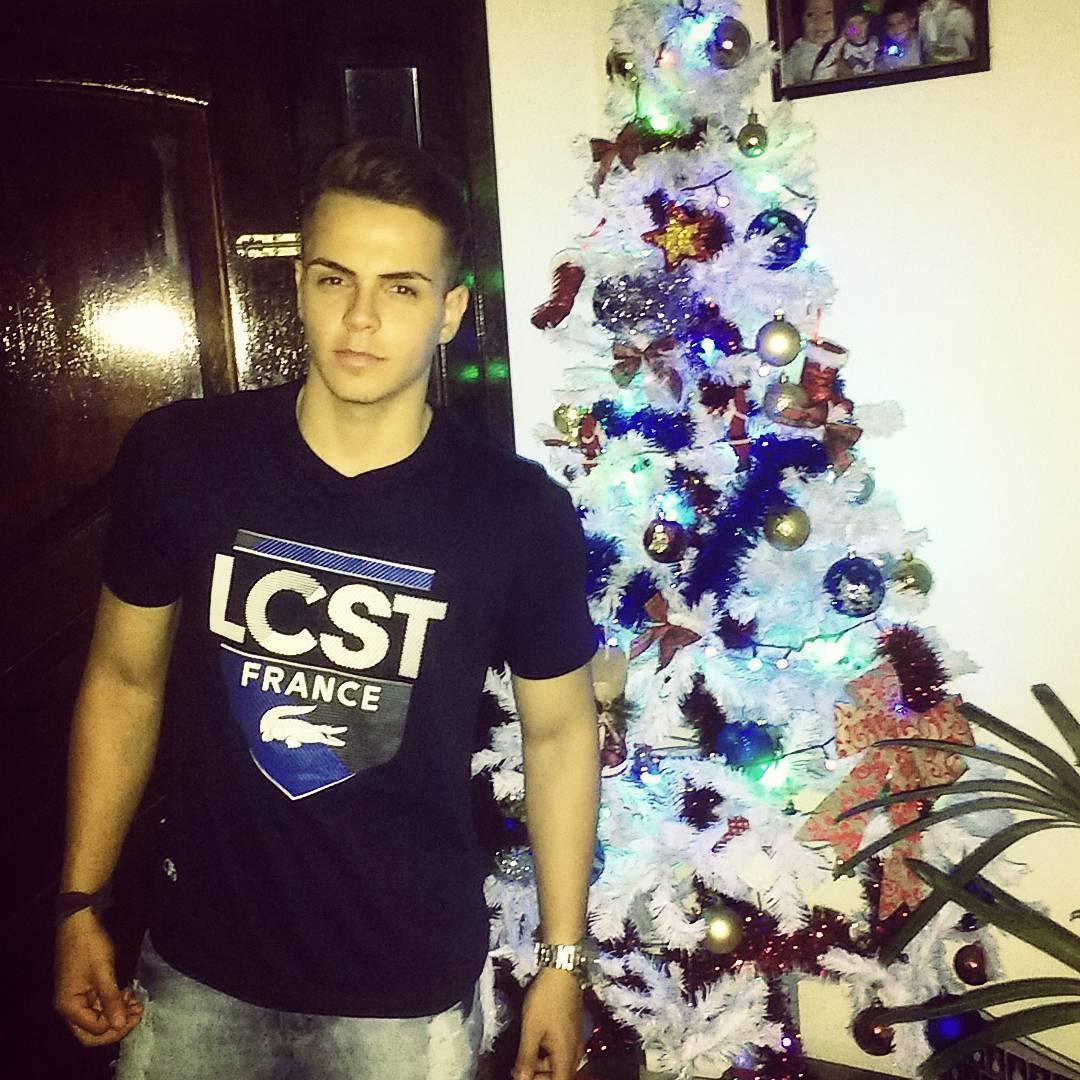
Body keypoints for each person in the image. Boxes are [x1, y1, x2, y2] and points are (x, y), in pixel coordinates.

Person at [53, 137, 601, 1080]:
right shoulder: (183, 459)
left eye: (402, 288)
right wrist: (78, 902)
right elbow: (123, 678)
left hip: (406, 996)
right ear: (299, 285)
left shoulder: (515, 512)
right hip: (194, 970)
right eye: (335, 278)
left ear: (449, 312)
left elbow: (559, 735)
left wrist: (561, 963)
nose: (361, 317)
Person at [815, 2, 881, 79]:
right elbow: (819, 76)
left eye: (861, 22)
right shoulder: (836, 49)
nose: (856, 28)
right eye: (851, 23)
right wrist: (841, 40)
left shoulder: (877, 43)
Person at [782, 0, 838, 85]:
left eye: (827, 13)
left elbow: (854, 28)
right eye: (810, 14)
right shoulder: (798, 54)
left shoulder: (842, 38)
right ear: (800, 20)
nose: (819, 21)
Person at [877, 0, 923, 70]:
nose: (896, 29)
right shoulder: (880, 49)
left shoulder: (922, 44)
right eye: (891, 25)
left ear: (912, 22)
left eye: (901, 23)